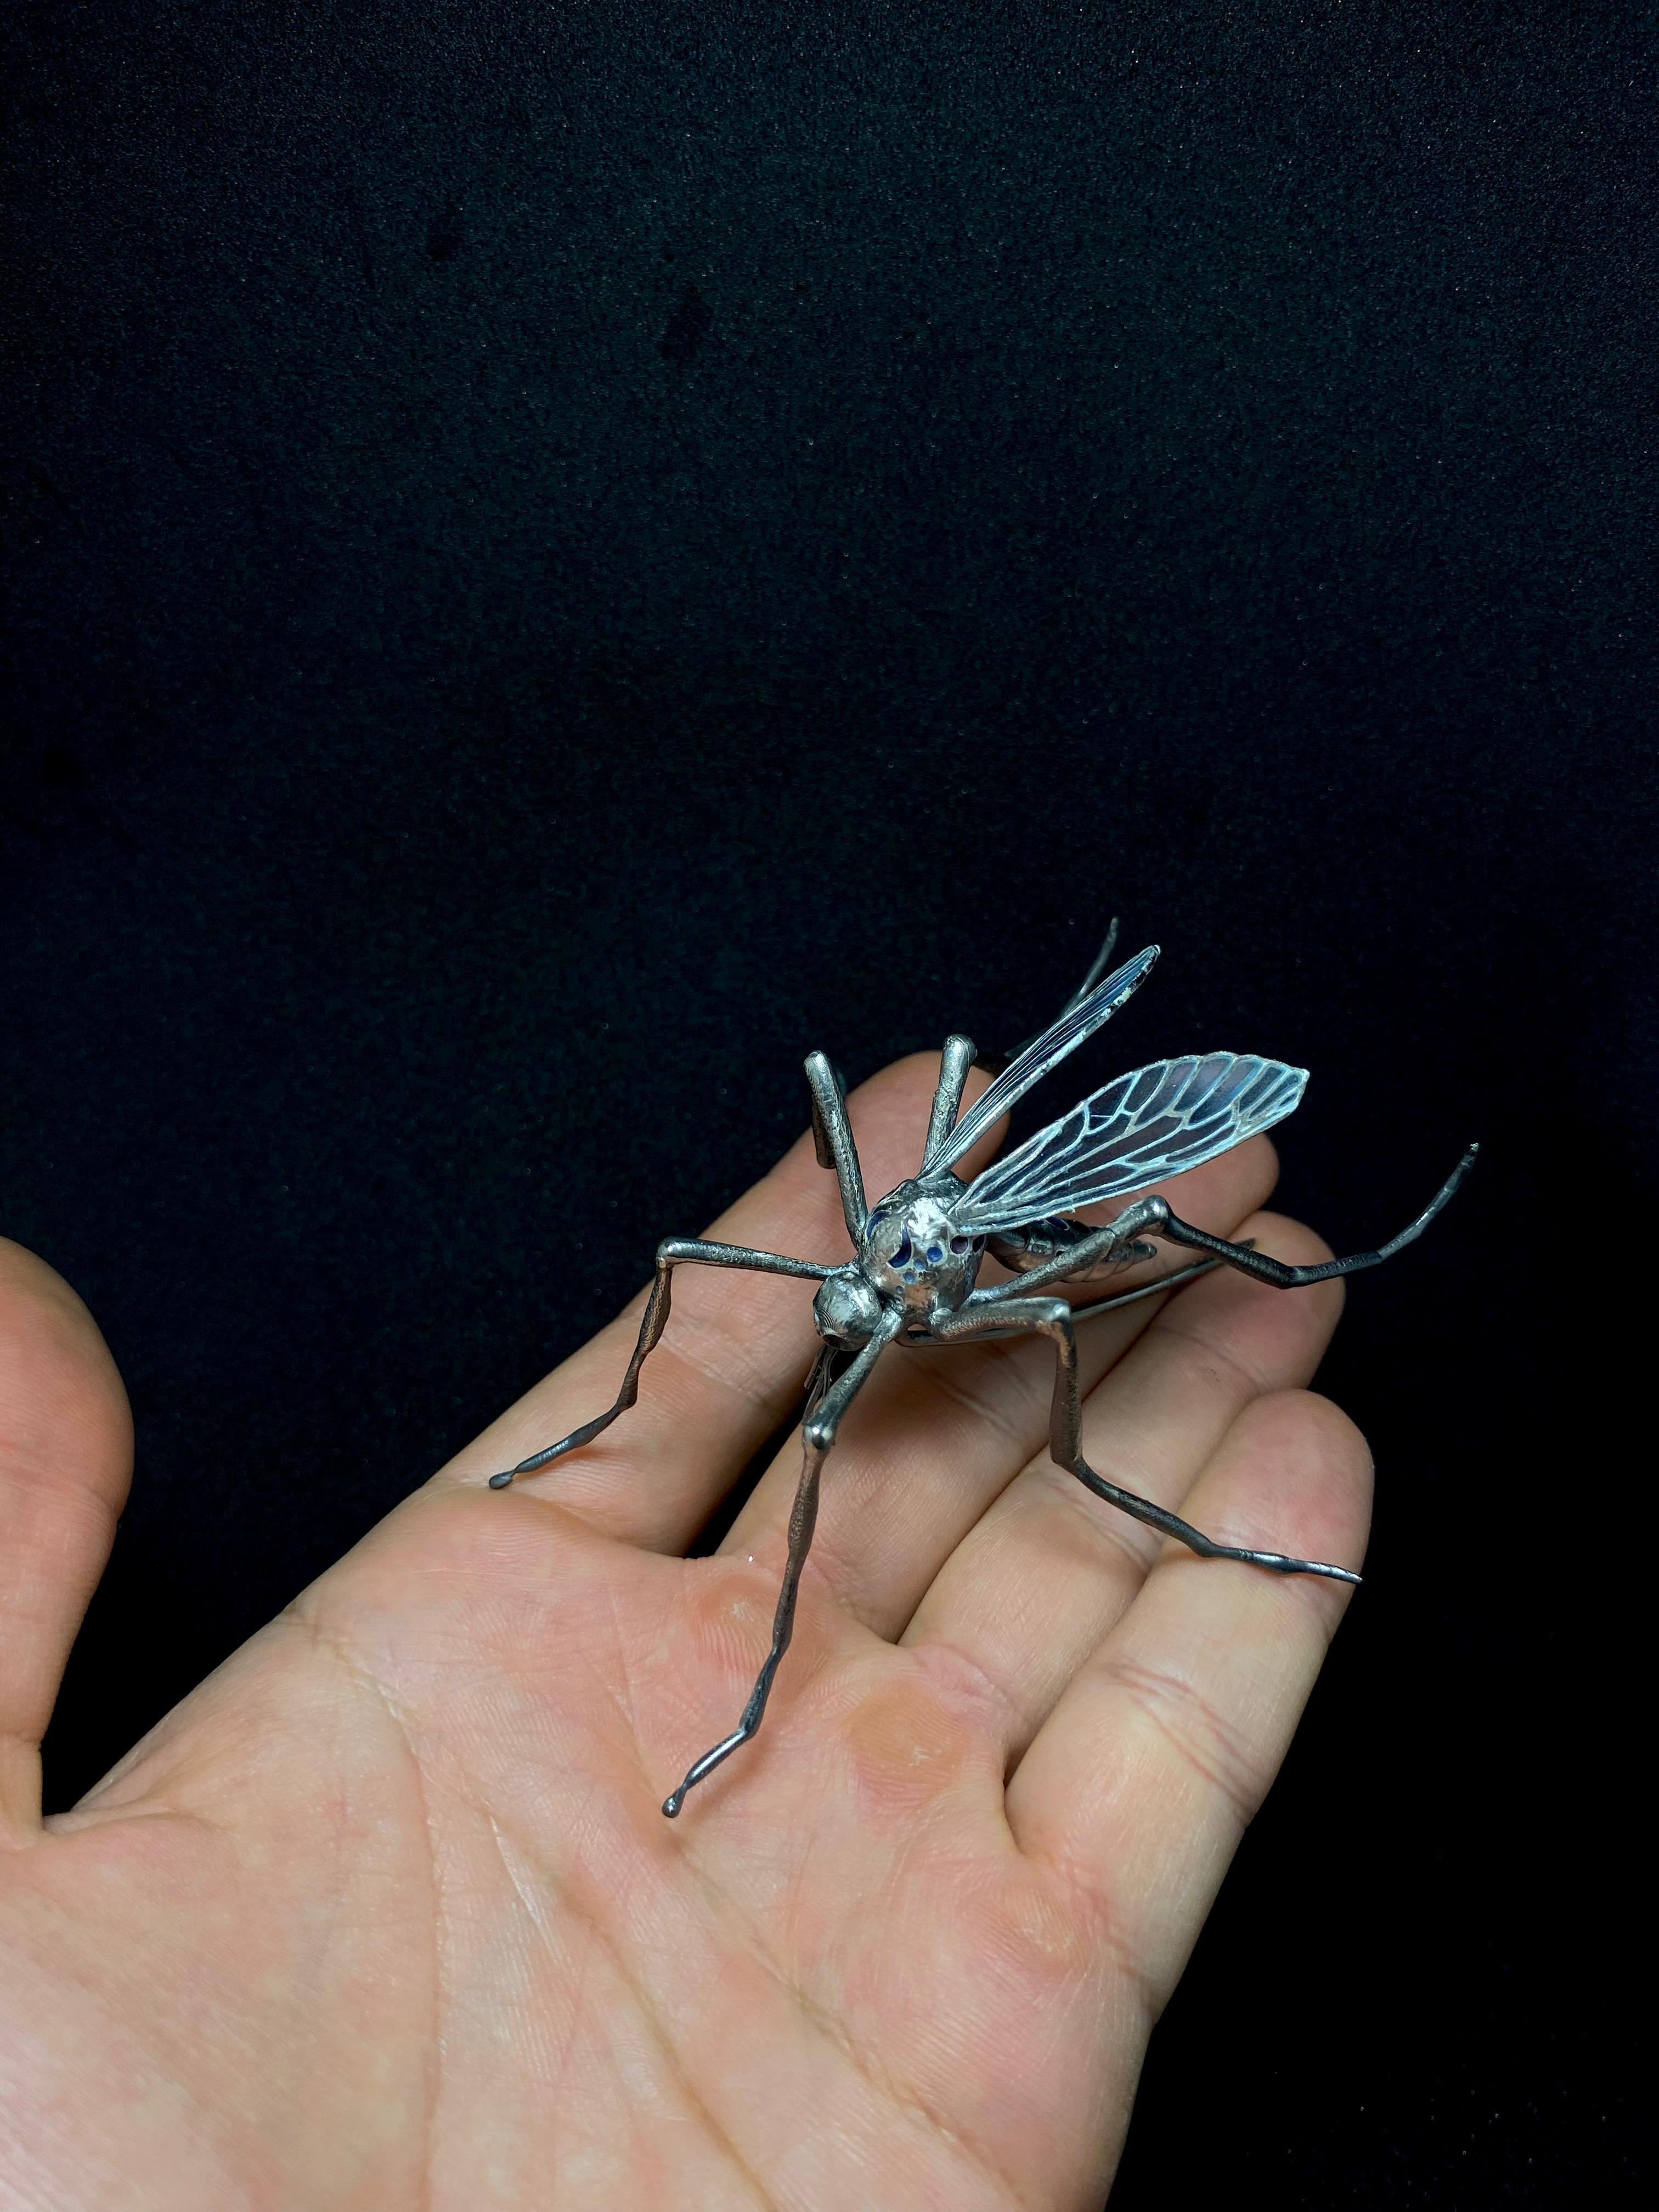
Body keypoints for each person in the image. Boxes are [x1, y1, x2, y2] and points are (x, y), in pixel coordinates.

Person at [0, 1049, 1367, 2207]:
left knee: (1099, 1292)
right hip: (925, 1229)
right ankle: (665, 1519)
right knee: (719, 1279)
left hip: (989, 1234)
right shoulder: (851, 1298)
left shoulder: (945, 1295)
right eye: (843, 1310)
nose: (837, 1337)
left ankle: (1244, 1348)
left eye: (856, 1316)